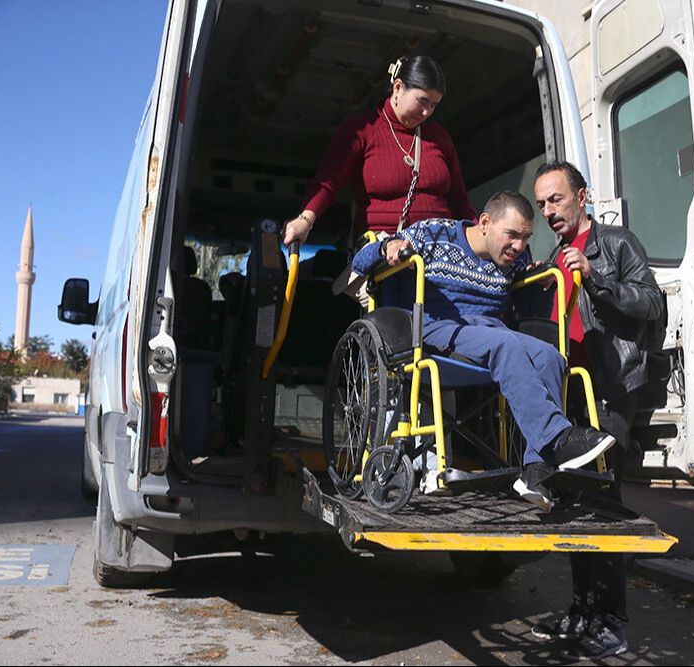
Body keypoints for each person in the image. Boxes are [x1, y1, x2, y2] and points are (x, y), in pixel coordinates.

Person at [350, 191, 617, 508]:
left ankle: (536, 470)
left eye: (525, 237)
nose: (518, 246)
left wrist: (537, 281)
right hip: (437, 327)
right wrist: (386, 246)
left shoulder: (515, 259)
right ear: (486, 223)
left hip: (489, 330)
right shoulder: (434, 233)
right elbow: (360, 262)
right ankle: (558, 439)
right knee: (504, 345)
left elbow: (525, 302)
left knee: (551, 356)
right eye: (513, 235)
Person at [530, 161, 665, 661]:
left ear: (582, 197)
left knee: (604, 501)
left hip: (611, 389)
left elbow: (651, 303)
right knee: (572, 502)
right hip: (571, 392)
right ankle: (582, 610)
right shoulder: (554, 255)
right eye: (542, 203)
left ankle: (612, 620)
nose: (548, 211)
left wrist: (596, 279)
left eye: (556, 200)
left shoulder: (616, 244)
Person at [282, 54, 476, 250]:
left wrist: (480, 236)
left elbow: (459, 200)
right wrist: (305, 220)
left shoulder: (440, 137)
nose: (426, 112)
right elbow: (328, 182)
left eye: (433, 105)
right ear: (398, 87)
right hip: (384, 252)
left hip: (441, 251)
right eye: (423, 101)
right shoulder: (360, 131)